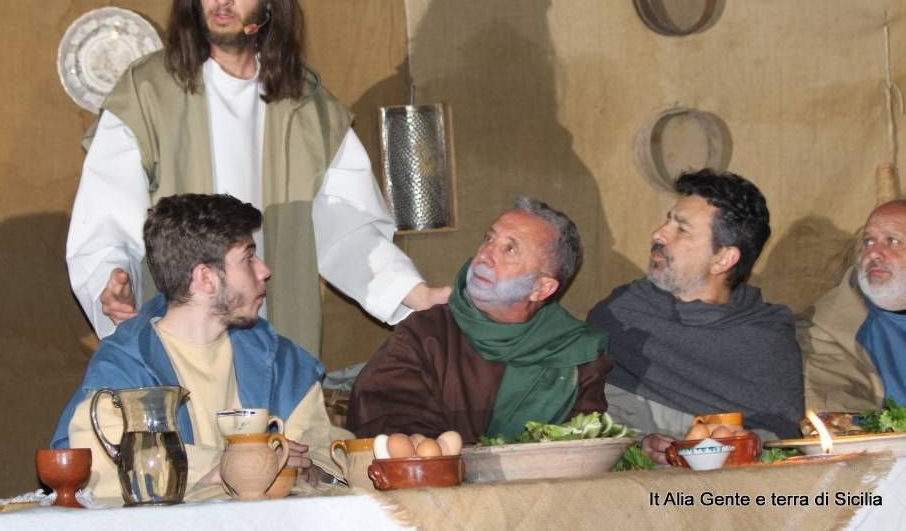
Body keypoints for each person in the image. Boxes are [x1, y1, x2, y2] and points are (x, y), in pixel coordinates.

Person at [66, 0, 448, 354]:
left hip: (272, 340)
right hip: (178, 344)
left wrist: (410, 292)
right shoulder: (147, 93)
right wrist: (111, 281)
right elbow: (106, 216)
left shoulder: (308, 109)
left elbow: (349, 228)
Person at [53, 193, 353, 498]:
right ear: (205, 278)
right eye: (248, 258)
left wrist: (310, 470)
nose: (264, 270)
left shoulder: (277, 359)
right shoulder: (125, 364)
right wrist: (230, 465)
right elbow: (99, 464)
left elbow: (323, 448)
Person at [346, 196, 612, 443]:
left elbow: (583, 451)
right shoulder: (426, 334)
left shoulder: (577, 355)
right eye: (489, 239)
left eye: (510, 249)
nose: (484, 255)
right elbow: (387, 419)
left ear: (541, 289)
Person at [587, 169, 803, 464]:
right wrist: (639, 444)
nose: (658, 234)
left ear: (723, 258)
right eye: (668, 221)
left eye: (682, 229)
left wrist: (744, 445)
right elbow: (584, 416)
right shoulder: (620, 314)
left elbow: (783, 440)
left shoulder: (765, 338)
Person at [799, 200, 906, 411]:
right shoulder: (823, 330)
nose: (873, 253)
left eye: (893, 241)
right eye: (868, 242)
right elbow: (837, 417)